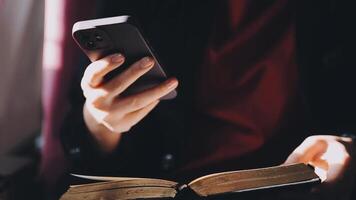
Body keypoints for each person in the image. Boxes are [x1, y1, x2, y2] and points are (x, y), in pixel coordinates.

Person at [52, 0, 356, 199]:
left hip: (295, 189)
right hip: (167, 184)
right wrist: (101, 123)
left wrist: (345, 145)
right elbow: (81, 136)